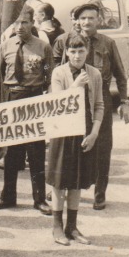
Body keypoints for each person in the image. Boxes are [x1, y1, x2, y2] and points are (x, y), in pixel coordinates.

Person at [52, 3, 129, 210]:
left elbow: (120, 75)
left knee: (102, 146)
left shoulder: (108, 43)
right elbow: (55, 69)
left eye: (91, 18)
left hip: (99, 95)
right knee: (67, 144)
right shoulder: (64, 41)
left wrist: (124, 102)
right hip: (71, 95)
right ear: (77, 20)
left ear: (99, 20)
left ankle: (99, 193)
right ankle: (62, 189)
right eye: (83, 18)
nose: (87, 22)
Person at [0, 5, 55, 215]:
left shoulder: (43, 47)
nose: (20, 27)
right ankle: (8, 195)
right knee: (11, 153)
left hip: (33, 98)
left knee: (35, 151)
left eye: (24, 22)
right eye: (16, 22)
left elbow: (48, 75)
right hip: (11, 98)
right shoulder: (5, 46)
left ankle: (39, 199)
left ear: (32, 22)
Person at [47, 32, 104, 246]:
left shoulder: (94, 74)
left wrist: (94, 133)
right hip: (63, 131)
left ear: (87, 51)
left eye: (81, 51)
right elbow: (57, 104)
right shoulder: (59, 73)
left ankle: (72, 226)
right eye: (73, 51)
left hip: (85, 130)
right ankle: (56, 226)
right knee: (59, 181)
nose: (77, 55)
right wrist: (76, 85)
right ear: (66, 52)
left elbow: (99, 105)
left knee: (77, 181)